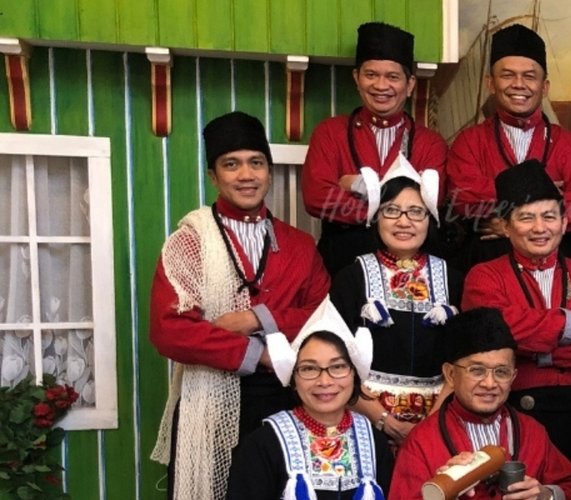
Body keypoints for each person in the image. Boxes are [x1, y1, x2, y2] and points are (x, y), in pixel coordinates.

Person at [148, 111, 330, 500]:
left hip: (286, 400)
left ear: (268, 171)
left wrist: (255, 317)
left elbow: (322, 316)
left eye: (256, 162)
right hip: (208, 401)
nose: (246, 175)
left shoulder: (300, 245)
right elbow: (170, 330)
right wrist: (258, 354)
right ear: (213, 176)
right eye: (231, 164)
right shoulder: (189, 242)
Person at [461, 159, 571, 461]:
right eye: (526, 218)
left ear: (564, 222)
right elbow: (497, 332)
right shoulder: (483, 277)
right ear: (506, 227)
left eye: (549, 216)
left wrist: (534, 352)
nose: (539, 228)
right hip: (513, 416)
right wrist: (569, 324)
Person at [328, 162, 461, 444]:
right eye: (391, 210)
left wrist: (433, 423)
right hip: (364, 419)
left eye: (416, 212)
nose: (404, 221)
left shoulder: (454, 279)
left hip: (440, 423)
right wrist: (382, 419)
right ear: (376, 217)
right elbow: (333, 356)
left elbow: (464, 358)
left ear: (430, 219)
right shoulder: (351, 278)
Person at [303, 22, 449, 275]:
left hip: (410, 264)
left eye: (393, 77)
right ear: (356, 78)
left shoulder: (430, 142)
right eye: (371, 75)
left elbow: (430, 202)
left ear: (410, 84)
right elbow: (317, 196)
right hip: (342, 257)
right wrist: (395, 207)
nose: (381, 86)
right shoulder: (330, 132)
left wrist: (353, 185)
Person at [390, 308, 571, 500]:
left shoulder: (532, 431)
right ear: (451, 375)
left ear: (513, 377)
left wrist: (547, 495)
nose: (489, 384)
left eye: (501, 372)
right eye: (477, 371)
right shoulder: (422, 441)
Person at [446, 24, 571, 266]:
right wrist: (546, 194)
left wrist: (507, 224)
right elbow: (463, 199)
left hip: (558, 259)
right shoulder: (469, 141)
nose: (518, 84)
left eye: (529, 76)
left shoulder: (567, 144)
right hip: (487, 256)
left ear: (544, 87)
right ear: (490, 83)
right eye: (507, 75)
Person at [228, 299, 393, 499]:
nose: (324, 381)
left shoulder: (374, 441)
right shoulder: (263, 444)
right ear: (294, 379)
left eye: (338, 366)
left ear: (354, 375)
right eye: (309, 368)